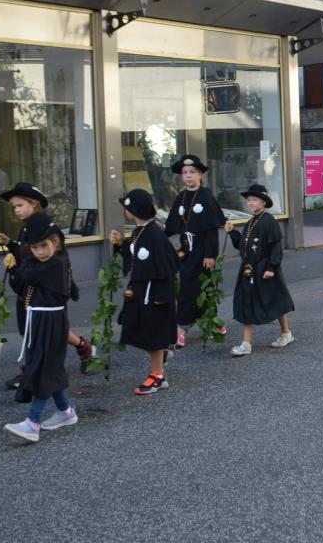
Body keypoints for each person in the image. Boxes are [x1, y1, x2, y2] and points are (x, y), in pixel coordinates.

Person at [0, 183, 92, 388]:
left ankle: (35, 370)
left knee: (45, 326)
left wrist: (18, 271)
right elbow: (26, 252)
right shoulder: (27, 228)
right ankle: (82, 346)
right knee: (41, 327)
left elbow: (53, 257)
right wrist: (10, 244)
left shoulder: (46, 229)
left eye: (20, 205)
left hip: (46, 287)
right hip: (30, 283)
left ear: (34, 204)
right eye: (13, 207)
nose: (16, 210)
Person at [4, 213, 79, 443]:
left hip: (52, 321)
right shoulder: (38, 262)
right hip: (38, 321)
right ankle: (65, 411)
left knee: (43, 369)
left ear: (55, 242)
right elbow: (19, 285)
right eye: (34, 247)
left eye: (44, 246)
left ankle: (32, 421)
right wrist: (13, 269)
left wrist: (19, 265)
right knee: (50, 366)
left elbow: (26, 274)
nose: (40, 252)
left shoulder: (57, 263)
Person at [110, 189, 177, 395]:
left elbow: (168, 266)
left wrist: (161, 297)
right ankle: (159, 365)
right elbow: (135, 251)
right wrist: (121, 245)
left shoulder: (154, 234)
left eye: (127, 208)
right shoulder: (140, 231)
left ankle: (157, 374)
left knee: (152, 333)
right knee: (142, 331)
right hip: (140, 290)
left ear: (135, 210)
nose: (125, 211)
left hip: (153, 293)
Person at [224, 184, 295, 356]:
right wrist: (233, 232)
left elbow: (276, 247)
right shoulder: (251, 221)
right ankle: (246, 344)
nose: (250, 203)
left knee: (275, 300)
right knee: (246, 301)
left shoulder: (269, 221)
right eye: (248, 200)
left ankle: (286, 333)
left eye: (254, 199)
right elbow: (243, 245)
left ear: (263, 202)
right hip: (249, 269)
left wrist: (271, 267)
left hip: (265, 269)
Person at [165, 155, 228, 346]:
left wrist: (210, 255)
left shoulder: (206, 197)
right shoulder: (181, 197)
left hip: (202, 250)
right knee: (187, 287)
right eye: (184, 173)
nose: (188, 176)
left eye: (192, 172)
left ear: (200, 174)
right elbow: (171, 225)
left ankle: (199, 323)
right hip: (186, 251)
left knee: (204, 288)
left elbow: (211, 229)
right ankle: (185, 325)